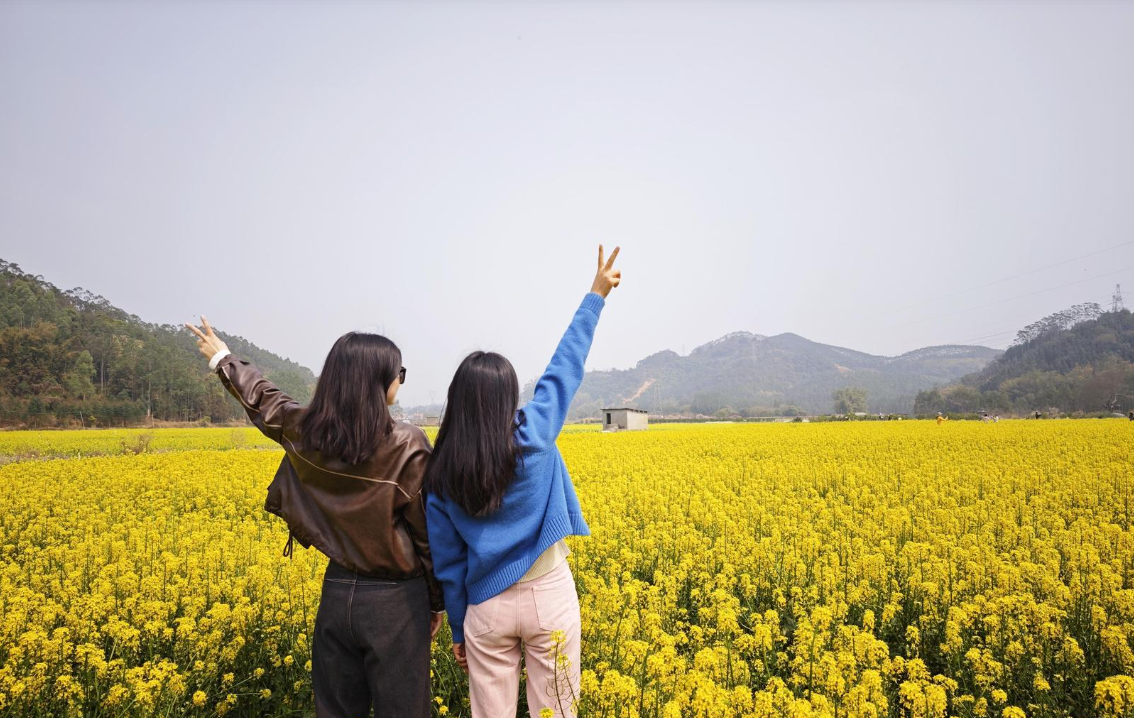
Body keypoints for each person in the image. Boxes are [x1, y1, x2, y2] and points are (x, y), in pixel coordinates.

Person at [185, 319, 443, 718]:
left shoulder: (308, 431)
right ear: (378, 380)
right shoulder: (406, 442)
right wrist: (437, 602)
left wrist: (223, 358)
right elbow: (427, 534)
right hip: (395, 602)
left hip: (337, 594)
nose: (401, 381)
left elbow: (264, 400)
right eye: (400, 373)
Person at [424, 245, 621, 718]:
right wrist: (595, 294)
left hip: (484, 607)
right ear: (510, 396)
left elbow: (448, 563)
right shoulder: (533, 432)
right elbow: (563, 370)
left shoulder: (442, 468)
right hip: (547, 592)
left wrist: (457, 629)